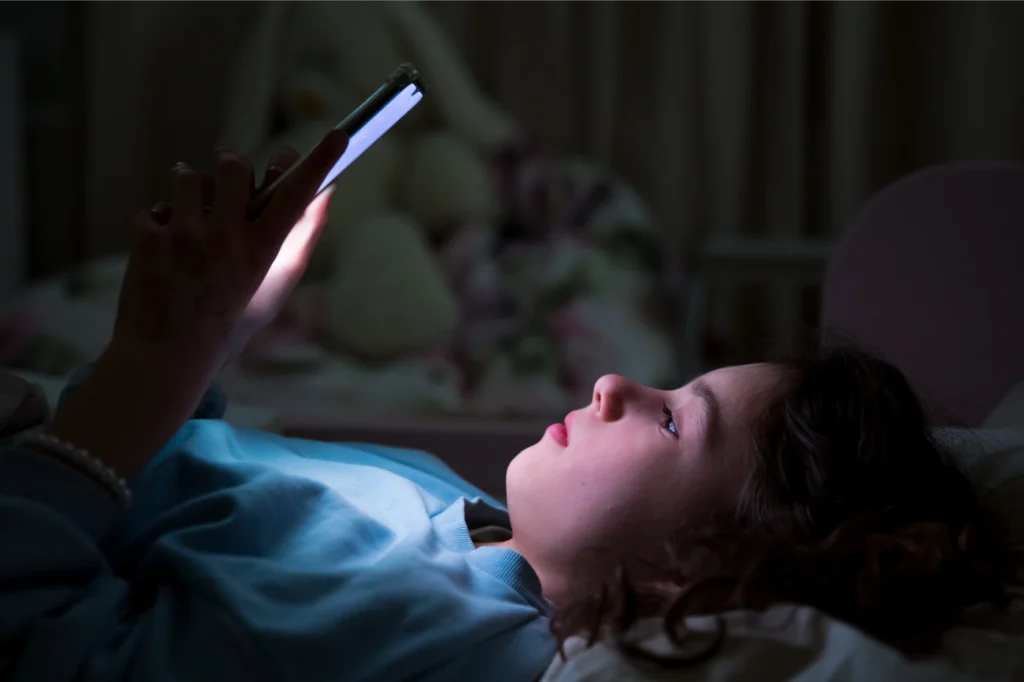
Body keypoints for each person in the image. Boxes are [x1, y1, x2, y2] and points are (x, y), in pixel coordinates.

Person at [0, 139, 1013, 682]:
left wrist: (147, 366)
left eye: (670, 418)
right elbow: (195, 485)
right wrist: (218, 337)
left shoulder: (422, 630)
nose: (614, 384)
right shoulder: (478, 521)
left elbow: (36, 639)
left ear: (689, 572)